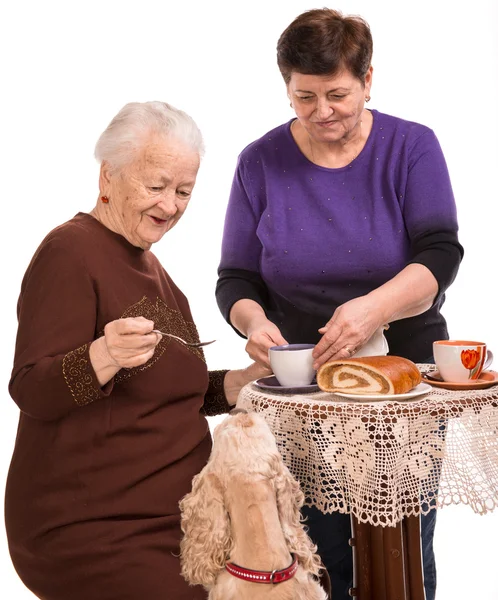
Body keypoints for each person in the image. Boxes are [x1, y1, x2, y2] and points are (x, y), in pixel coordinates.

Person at [215, 9, 463, 600]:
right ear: (286, 87)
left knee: (404, 550)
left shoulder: (412, 146)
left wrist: (373, 310)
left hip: (401, 379)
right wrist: (253, 324)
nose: (322, 111)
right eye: (304, 96)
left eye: (338, 94)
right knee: (315, 551)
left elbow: (441, 253)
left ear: (369, 79)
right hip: (302, 384)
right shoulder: (259, 161)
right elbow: (236, 278)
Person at [5, 101, 269, 600]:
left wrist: (236, 383)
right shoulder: (70, 251)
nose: (170, 205)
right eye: (156, 186)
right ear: (109, 176)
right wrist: (101, 356)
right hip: (95, 528)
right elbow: (31, 389)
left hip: (183, 521)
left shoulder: (151, 266)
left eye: (184, 191)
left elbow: (167, 391)